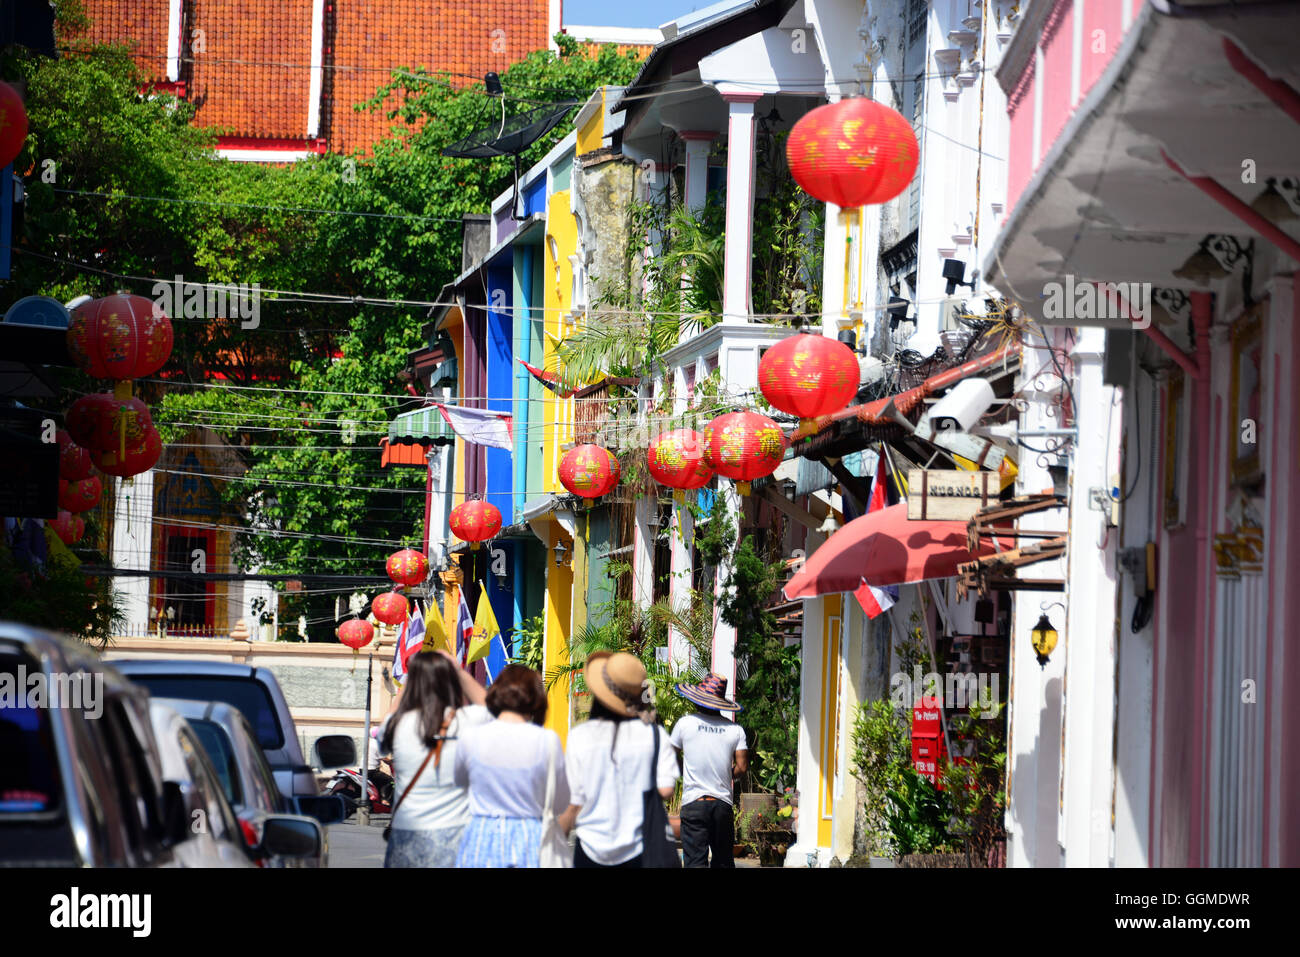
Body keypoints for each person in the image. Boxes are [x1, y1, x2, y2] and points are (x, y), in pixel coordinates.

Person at [557, 652, 678, 868]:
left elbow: (574, 801)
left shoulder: (580, 736)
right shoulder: (655, 735)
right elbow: (666, 790)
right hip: (640, 850)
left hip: (589, 850)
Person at [381, 650, 489, 868]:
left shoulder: (398, 725)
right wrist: (458, 671)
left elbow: (389, 717)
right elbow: (496, 711)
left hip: (406, 835)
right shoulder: (467, 720)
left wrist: (412, 676)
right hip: (456, 836)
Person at [453, 664, 567, 868]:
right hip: (530, 837)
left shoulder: (471, 737)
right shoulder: (547, 739)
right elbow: (559, 802)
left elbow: (460, 783)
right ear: (535, 698)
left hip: (481, 837)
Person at [670, 672, 749, 868]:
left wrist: (684, 769)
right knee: (723, 862)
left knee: (695, 862)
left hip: (694, 804)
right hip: (722, 806)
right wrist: (725, 773)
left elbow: (668, 757)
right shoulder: (735, 729)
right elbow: (742, 767)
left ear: (698, 700)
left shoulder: (685, 724)